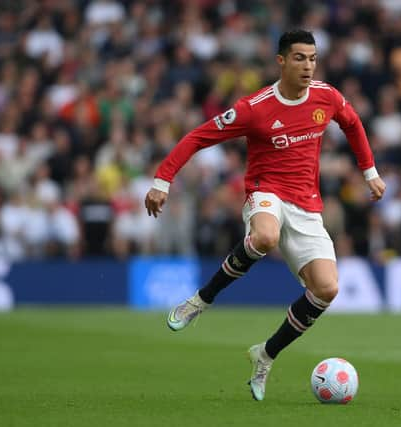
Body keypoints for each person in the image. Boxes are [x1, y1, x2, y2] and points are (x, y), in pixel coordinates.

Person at [144, 30, 386, 401]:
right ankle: (200, 301)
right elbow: (197, 137)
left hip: (307, 205)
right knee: (266, 237)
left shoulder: (327, 97)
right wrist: (163, 180)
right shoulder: (254, 108)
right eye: (300, 58)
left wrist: (369, 171)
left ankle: (266, 354)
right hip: (266, 192)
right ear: (282, 61)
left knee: (327, 289)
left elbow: (352, 124)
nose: (308, 66)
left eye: (313, 58)